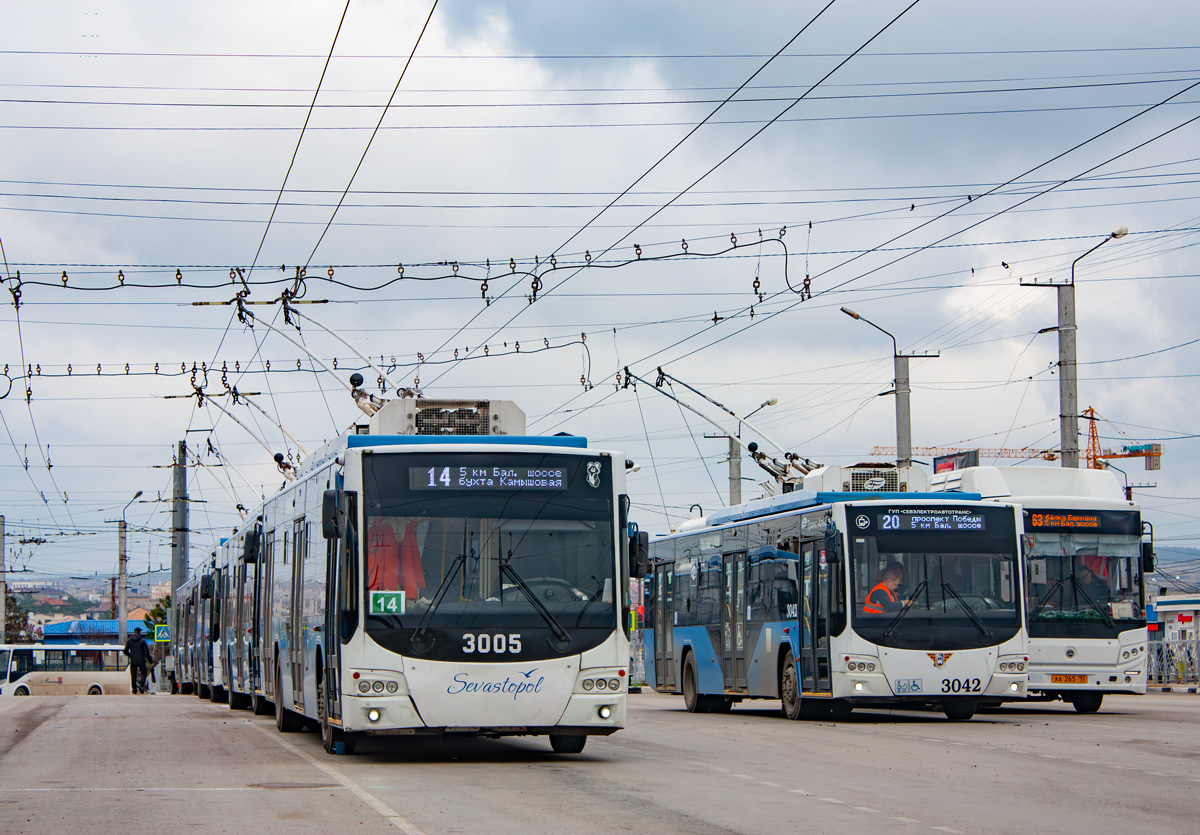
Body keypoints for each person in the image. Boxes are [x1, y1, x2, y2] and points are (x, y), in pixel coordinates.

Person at [123, 627, 153, 695]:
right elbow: (146, 653)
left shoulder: (129, 641)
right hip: (141, 660)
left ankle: (134, 689)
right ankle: (141, 684)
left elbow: (125, 651)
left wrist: (131, 655)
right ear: (139, 632)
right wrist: (151, 662)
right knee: (144, 673)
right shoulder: (142, 641)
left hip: (133, 661)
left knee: (133, 674)